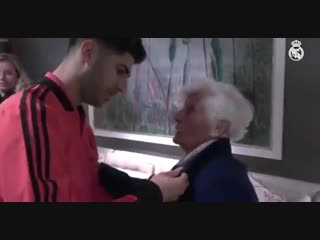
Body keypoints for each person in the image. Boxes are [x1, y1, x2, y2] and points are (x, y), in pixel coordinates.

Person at [0, 38, 188, 202]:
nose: (123, 87)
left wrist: (147, 188)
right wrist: (154, 194)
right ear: (88, 52)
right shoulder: (31, 114)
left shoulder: (77, 120)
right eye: (120, 71)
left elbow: (90, 190)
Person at [171, 80, 258, 202]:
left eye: (190, 110)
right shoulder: (209, 168)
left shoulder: (224, 179)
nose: (177, 116)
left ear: (219, 127)